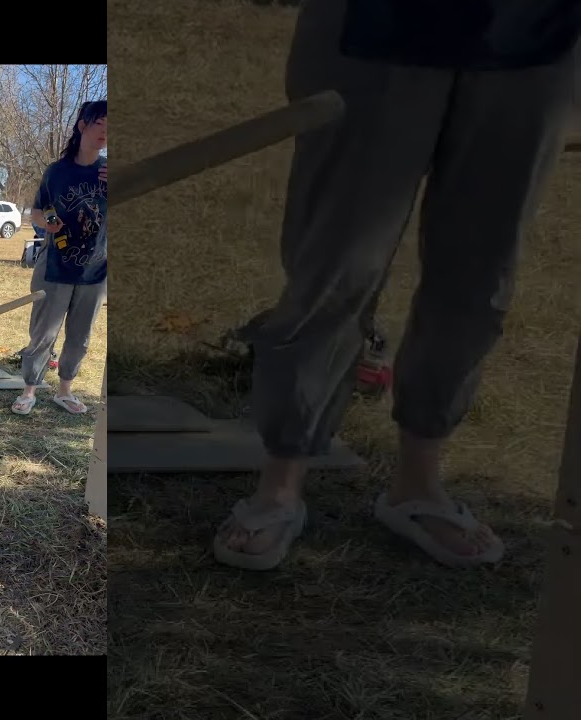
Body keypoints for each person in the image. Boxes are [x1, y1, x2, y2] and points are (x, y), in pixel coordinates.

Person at [214, 0, 580, 571]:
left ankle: (418, 485)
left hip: (536, 35)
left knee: (479, 274)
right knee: (335, 263)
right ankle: (280, 485)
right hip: (373, 27)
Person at [12, 100, 108, 416]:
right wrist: (45, 222)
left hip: (95, 271)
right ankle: (30, 390)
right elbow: (37, 210)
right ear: (82, 125)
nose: (106, 132)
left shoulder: (111, 171)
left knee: (80, 337)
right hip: (55, 267)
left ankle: (64, 391)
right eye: (100, 123)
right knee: (43, 333)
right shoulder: (56, 171)